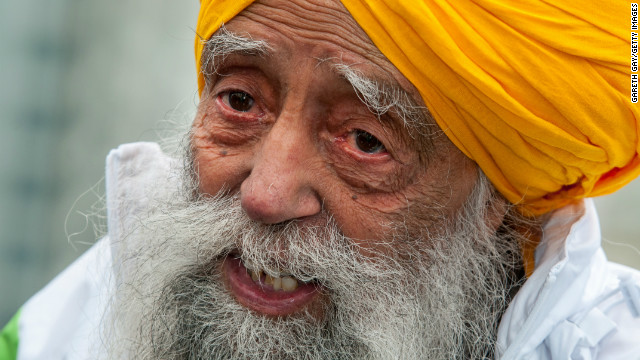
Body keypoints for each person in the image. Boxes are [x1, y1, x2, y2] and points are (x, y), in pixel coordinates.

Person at [2, 0, 640, 359]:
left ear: (504, 199)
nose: (264, 193)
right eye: (240, 102)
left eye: (365, 141)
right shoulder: (71, 326)